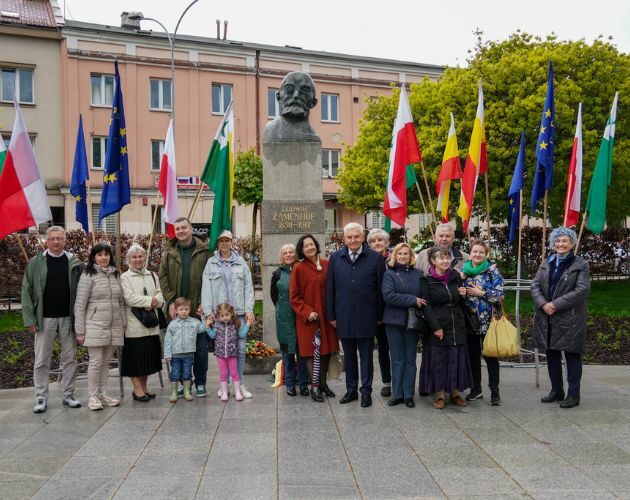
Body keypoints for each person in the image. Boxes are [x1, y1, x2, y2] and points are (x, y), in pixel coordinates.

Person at [22, 226, 84, 413]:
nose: (56, 242)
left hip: (67, 317)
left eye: (59, 238)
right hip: (44, 318)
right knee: (41, 360)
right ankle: (41, 397)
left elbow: (82, 292)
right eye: (52, 239)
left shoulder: (74, 262)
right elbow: (27, 291)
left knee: (70, 359)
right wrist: (30, 319)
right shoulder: (35, 262)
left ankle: (68, 394)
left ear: (65, 240)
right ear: (46, 241)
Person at [326, 223, 385, 408]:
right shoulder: (336, 259)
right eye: (349, 237)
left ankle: (366, 391)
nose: (353, 240)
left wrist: (380, 315)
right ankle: (351, 390)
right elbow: (330, 289)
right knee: (349, 357)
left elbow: (381, 289)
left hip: (368, 316)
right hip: (344, 316)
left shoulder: (375, 258)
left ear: (362, 237)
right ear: (344, 239)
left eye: (356, 237)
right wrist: (331, 315)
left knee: (366, 356)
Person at [531, 227, 590, 409]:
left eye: (564, 241)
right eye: (557, 241)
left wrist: (555, 304)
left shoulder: (580, 264)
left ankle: (573, 394)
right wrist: (543, 303)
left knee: (572, 356)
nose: (560, 244)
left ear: (572, 244)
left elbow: (582, 290)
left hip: (569, 318)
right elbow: (535, 285)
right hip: (547, 316)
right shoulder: (546, 263)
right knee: (552, 354)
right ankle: (557, 390)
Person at [159, 217, 211, 398]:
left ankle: (201, 382)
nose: (181, 231)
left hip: (198, 309)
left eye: (184, 228)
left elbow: (211, 276)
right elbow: (163, 277)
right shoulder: (169, 252)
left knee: (201, 350)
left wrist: (207, 301)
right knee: (178, 349)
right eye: (177, 228)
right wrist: (171, 301)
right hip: (177, 309)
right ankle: (181, 383)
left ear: (191, 229)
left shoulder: (205, 251)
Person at [202, 230, 255, 399]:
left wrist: (249, 309)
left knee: (239, 350)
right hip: (221, 315)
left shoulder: (241, 262)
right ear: (217, 243)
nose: (224, 243)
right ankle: (224, 385)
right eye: (221, 240)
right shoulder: (211, 263)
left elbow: (249, 287)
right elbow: (206, 290)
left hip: (238, 313)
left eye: (227, 240)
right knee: (222, 351)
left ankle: (238, 385)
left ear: (232, 242)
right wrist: (209, 313)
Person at [419, 246, 472, 410]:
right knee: (439, 360)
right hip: (438, 323)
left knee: (456, 358)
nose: (445, 261)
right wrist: (436, 327)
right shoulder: (426, 280)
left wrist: (464, 294)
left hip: (457, 322)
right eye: (441, 258)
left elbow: (461, 300)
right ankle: (440, 394)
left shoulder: (456, 276)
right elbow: (426, 307)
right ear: (433, 261)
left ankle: (455, 392)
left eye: (447, 258)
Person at [74, 243, 126, 411]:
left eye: (106, 254)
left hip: (114, 325)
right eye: (99, 255)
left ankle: (103, 393)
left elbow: (121, 302)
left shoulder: (115, 274)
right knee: (96, 362)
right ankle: (93, 396)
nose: (103, 257)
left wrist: (123, 323)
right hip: (94, 325)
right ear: (93, 257)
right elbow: (79, 305)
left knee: (106, 363)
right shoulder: (88, 275)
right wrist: (80, 331)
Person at [290, 235, 339, 402]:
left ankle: (323, 384)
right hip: (310, 319)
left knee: (326, 351)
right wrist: (306, 312)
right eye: (306, 246)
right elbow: (294, 297)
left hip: (327, 317)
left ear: (316, 245)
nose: (309, 248)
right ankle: (315, 387)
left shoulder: (327, 264)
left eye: (311, 244)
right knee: (312, 353)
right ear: (301, 250)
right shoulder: (299, 268)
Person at [460, 239, 505, 405]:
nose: (477, 254)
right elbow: (455, 292)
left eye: (481, 252)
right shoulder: (463, 271)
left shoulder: (492, 270)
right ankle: (475, 390)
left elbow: (500, 294)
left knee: (490, 357)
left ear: (486, 254)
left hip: (488, 321)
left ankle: (495, 393)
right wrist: (462, 292)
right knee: (472, 357)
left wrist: (481, 293)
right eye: (474, 251)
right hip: (469, 321)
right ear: (470, 253)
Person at [381, 243, 426, 408]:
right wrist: (412, 300)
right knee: (397, 359)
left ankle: (408, 394)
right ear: (395, 256)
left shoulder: (419, 274)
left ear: (411, 256)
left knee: (410, 359)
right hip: (394, 321)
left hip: (413, 322)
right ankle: (397, 393)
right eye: (399, 254)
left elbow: (424, 296)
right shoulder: (389, 275)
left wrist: (414, 299)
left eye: (406, 254)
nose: (402, 256)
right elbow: (388, 296)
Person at [120, 244, 164, 402]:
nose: (138, 259)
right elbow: (128, 298)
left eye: (140, 256)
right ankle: (137, 390)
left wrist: (155, 302)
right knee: (135, 359)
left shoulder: (152, 275)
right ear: (128, 260)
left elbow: (160, 295)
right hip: (134, 326)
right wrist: (148, 301)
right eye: (134, 257)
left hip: (151, 324)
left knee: (147, 359)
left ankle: (144, 388)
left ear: (145, 258)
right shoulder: (124, 277)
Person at [271, 243, 309, 397]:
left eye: (291, 252)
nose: (288, 255)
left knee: (302, 352)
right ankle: (290, 384)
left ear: (296, 254)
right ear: (282, 256)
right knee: (286, 353)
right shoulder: (277, 274)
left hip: (300, 317)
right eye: (285, 252)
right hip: (284, 319)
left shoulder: (302, 270)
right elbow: (274, 296)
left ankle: (304, 384)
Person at [164, 297, 208, 403]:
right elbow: (168, 340)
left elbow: (202, 328)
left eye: (186, 309)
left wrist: (203, 317)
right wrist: (167, 354)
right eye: (181, 309)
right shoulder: (172, 325)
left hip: (188, 355)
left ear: (190, 310)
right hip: (175, 355)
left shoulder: (194, 322)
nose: (184, 312)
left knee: (187, 373)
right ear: (176, 311)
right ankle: (174, 393)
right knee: (175, 373)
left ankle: (187, 392)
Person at [367, 228, 392, 398]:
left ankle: (398, 381)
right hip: (372, 313)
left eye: (380, 240)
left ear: (386, 243)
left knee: (393, 349)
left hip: (392, 311)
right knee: (378, 349)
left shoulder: (395, 259)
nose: (377, 243)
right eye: (373, 241)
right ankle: (386, 382)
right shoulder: (366, 261)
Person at [207, 303, 250, 402]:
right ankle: (224, 392)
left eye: (227, 315)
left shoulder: (235, 324)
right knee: (223, 373)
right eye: (222, 316)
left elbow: (242, 335)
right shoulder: (217, 325)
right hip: (220, 355)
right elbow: (212, 336)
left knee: (234, 373)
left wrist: (247, 324)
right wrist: (207, 327)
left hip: (232, 354)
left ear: (231, 314)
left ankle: (238, 391)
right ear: (218, 316)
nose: (225, 317)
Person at [263, 71, 319, 143]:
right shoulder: (271, 130)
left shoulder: (313, 135)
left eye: (304, 90)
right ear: (279, 98)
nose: (296, 95)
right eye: (289, 89)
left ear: (313, 103)